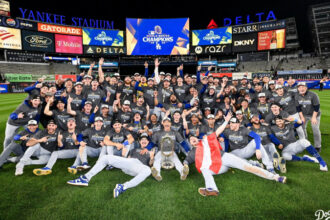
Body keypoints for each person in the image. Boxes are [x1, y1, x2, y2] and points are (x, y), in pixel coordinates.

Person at [184, 113, 286, 197]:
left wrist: (226, 121)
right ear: (191, 144)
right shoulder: (193, 152)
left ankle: (275, 177)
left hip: (223, 158)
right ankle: (212, 189)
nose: (193, 140)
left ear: (197, 139)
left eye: (194, 138)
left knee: (248, 167)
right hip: (218, 167)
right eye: (191, 141)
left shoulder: (205, 140)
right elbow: (187, 160)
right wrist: (185, 165)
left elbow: (218, 131)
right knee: (204, 169)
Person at [67, 133, 154, 199]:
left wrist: (151, 157)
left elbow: (150, 164)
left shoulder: (150, 151)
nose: (144, 140)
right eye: (142, 139)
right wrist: (124, 155)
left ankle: (123, 186)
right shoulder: (134, 149)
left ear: (148, 142)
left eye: (145, 139)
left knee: (148, 170)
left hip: (139, 168)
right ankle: (85, 178)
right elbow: (126, 160)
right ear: (139, 142)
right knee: (105, 158)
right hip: (130, 163)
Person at [295, 82, 322, 151]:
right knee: (302, 128)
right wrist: (302, 117)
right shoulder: (297, 96)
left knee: (315, 129)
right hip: (304, 114)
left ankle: (318, 146)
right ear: (298, 89)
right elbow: (298, 108)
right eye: (299, 87)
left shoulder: (313, 95)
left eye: (303, 87)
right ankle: (306, 143)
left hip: (314, 114)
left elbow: (317, 107)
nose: (301, 88)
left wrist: (313, 117)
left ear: (306, 88)